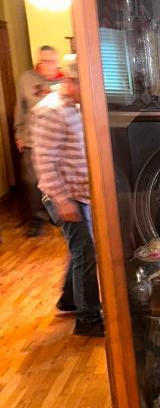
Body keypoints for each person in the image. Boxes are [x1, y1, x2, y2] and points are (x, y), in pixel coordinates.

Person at [29, 54, 104, 337]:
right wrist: (62, 200)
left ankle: (69, 299)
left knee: (80, 252)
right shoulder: (51, 111)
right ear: (71, 81)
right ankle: (88, 320)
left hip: (82, 195)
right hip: (65, 197)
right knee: (85, 252)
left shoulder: (78, 106)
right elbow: (45, 161)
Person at [13, 45, 63, 237]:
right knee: (31, 181)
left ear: (57, 62)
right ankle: (36, 219)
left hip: (57, 141)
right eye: (44, 61)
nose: (47, 65)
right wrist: (19, 134)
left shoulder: (64, 81)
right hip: (32, 140)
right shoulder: (27, 79)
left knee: (57, 180)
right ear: (38, 61)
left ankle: (56, 214)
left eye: (51, 61)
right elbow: (20, 107)